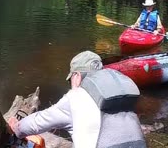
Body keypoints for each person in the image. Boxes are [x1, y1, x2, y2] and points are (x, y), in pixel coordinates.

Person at [8, 51, 146, 148]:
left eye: (71, 80)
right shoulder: (118, 95)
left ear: (77, 76)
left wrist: (16, 128)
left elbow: (36, 123)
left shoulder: (76, 97)